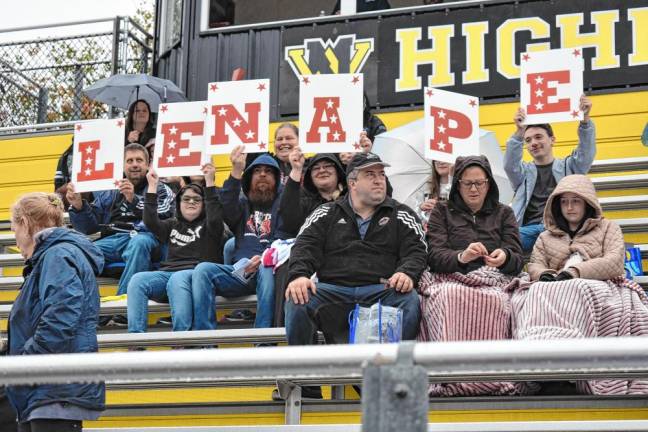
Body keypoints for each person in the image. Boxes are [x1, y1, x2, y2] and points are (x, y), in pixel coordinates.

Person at [284, 152, 427, 398]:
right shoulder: (326, 213)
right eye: (370, 175)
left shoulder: (401, 213)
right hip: (332, 292)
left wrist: (406, 272)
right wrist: (299, 275)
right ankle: (305, 384)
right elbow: (303, 246)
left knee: (409, 299)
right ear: (352, 183)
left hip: (379, 291)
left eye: (381, 174)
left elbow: (418, 249)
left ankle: (391, 383)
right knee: (298, 296)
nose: (378, 180)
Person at [512, 174, 648, 395]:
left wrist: (576, 272)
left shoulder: (608, 228)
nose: (569, 207)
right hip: (554, 287)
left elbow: (614, 262)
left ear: (587, 202)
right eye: (564, 202)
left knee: (577, 288)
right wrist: (545, 274)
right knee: (534, 290)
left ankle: (569, 365)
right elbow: (535, 264)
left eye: (575, 201)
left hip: (597, 285)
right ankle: (540, 361)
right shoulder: (546, 237)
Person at [418, 155, 524, 396]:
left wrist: (504, 257)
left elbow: (518, 259)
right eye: (467, 183)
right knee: (448, 296)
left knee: (501, 301)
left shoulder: (504, 213)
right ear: (457, 184)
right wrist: (461, 257)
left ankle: (492, 378)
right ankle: (452, 378)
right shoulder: (442, 212)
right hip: (453, 278)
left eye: (480, 183)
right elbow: (434, 256)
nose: (474, 189)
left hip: (494, 279)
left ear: (489, 184)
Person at [7, 193, 105, 431]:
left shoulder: (58, 255)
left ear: (26, 224)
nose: (16, 240)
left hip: (54, 389)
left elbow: (60, 320)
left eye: (14, 230)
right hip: (45, 390)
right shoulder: (51, 257)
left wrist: (23, 363)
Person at [192, 147, 287, 329]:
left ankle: (263, 344)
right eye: (257, 171)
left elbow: (284, 238)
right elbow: (226, 205)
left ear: (277, 179)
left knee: (266, 268)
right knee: (202, 270)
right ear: (249, 179)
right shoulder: (242, 206)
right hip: (240, 273)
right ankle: (205, 342)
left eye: (268, 172)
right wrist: (236, 170)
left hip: (270, 272)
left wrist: (265, 257)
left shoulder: (283, 205)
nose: (262, 175)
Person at [67, 143, 175, 301]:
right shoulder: (111, 191)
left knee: (139, 243)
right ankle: (87, 306)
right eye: (130, 161)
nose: (135, 164)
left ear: (148, 165)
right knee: (75, 252)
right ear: (123, 166)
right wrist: (78, 206)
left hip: (148, 240)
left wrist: (133, 200)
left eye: (139, 160)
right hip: (113, 241)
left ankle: (124, 304)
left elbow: (164, 216)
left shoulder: (161, 189)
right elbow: (88, 228)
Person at [126, 164, 224, 333]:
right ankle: (136, 342)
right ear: (179, 204)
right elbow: (150, 222)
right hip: (168, 275)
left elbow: (215, 215)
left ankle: (181, 341)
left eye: (197, 199)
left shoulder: (211, 226)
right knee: (137, 281)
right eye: (186, 199)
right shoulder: (172, 224)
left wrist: (209, 183)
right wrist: (152, 187)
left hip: (196, 276)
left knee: (177, 279)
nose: (191, 202)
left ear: (204, 204)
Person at [504, 94, 595, 252]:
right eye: (528, 140)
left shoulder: (570, 166)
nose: (533, 143)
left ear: (552, 139)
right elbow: (509, 165)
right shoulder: (523, 173)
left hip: (562, 228)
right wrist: (519, 133)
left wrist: (585, 120)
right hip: (528, 231)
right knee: (504, 239)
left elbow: (586, 153)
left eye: (538, 137)